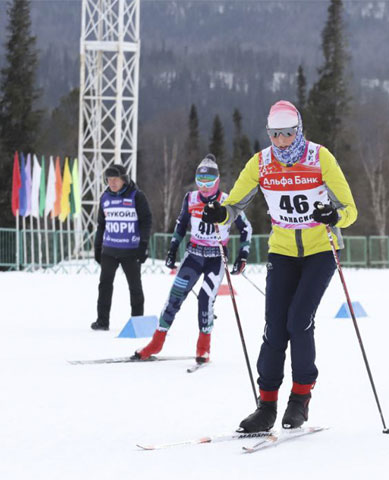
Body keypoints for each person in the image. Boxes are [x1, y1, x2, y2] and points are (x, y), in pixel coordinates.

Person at [201, 100, 357, 432]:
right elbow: (234, 205)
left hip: (319, 251)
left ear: (298, 131)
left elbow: (349, 210)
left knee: (299, 320)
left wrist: (334, 215)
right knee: (274, 328)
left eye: (288, 134)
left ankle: (300, 399)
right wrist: (219, 214)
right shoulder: (261, 163)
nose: (283, 142)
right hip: (282, 252)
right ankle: (266, 405)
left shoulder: (319, 158)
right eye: (276, 135)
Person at [133, 155, 252, 363]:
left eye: (209, 183)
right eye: (200, 182)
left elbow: (246, 228)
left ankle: (203, 347)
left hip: (216, 258)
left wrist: (243, 254)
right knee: (175, 297)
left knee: (206, 299)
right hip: (194, 256)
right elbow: (181, 224)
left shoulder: (228, 202)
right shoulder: (191, 199)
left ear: (217, 181)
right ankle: (156, 342)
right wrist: (172, 249)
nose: (204, 187)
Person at [91, 164, 152, 331]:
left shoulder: (136, 196)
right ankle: (102, 321)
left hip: (130, 251)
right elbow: (101, 225)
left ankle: (137, 323)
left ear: (124, 179)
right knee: (104, 285)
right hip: (109, 250)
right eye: (109, 180)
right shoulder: (105, 198)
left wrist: (143, 245)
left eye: (115, 179)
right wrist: (97, 247)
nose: (112, 183)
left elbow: (146, 221)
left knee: (135, 287)